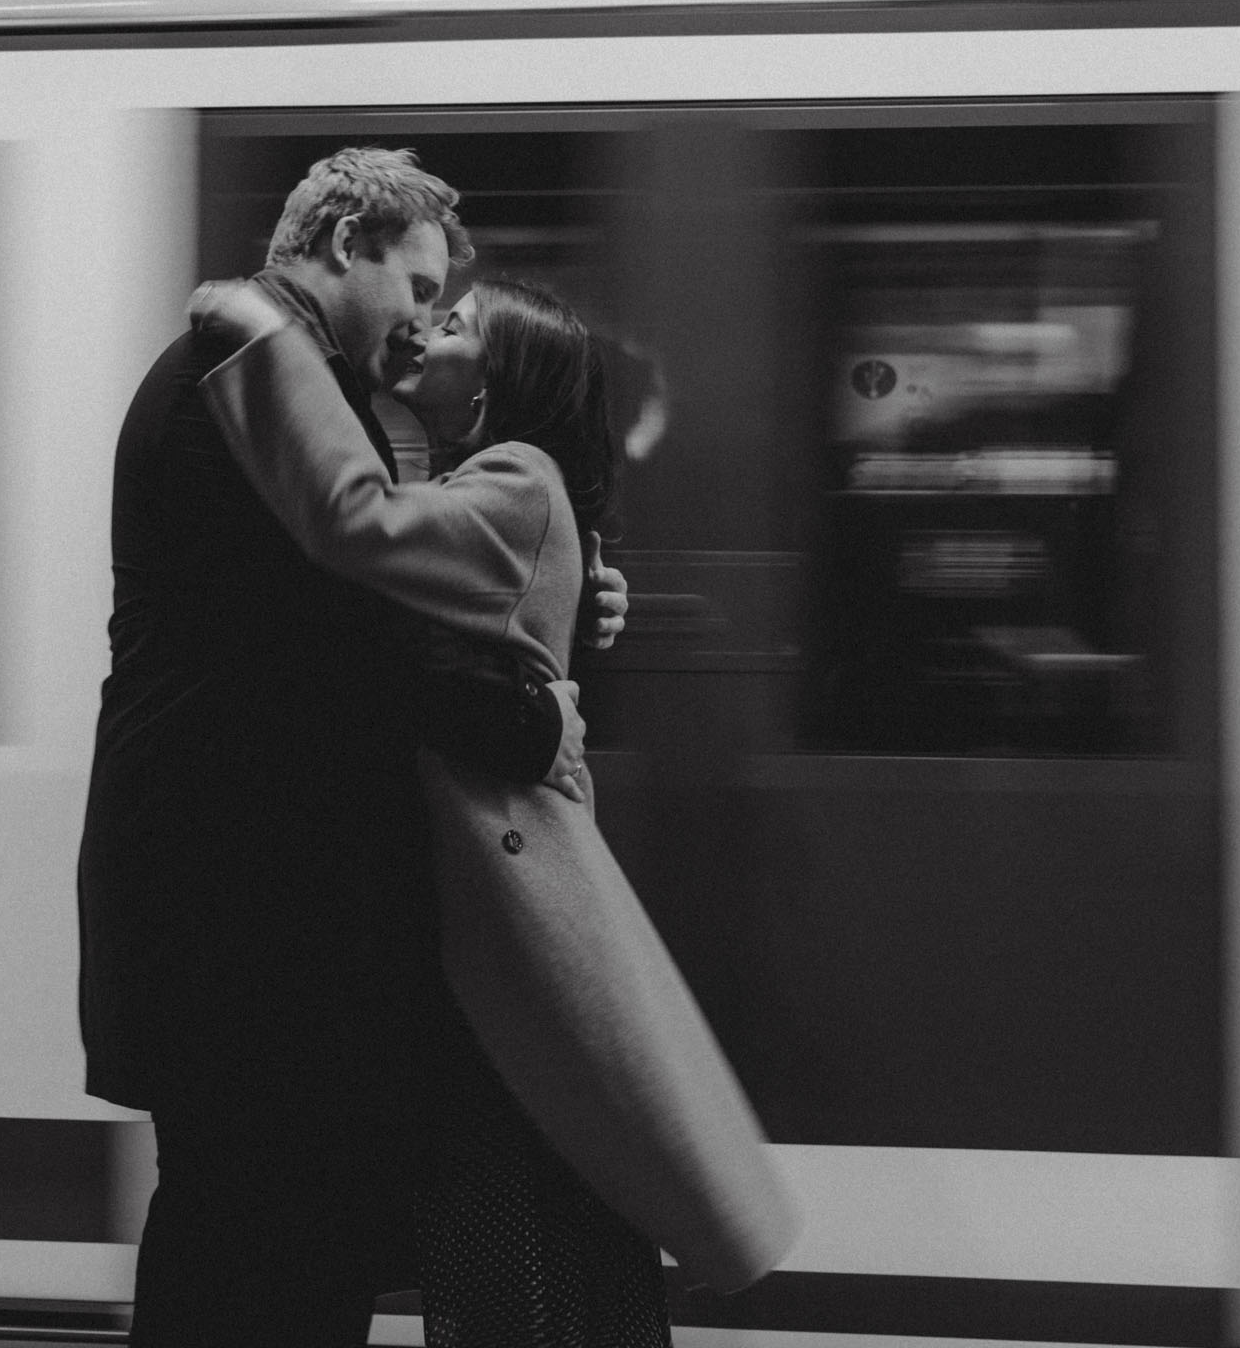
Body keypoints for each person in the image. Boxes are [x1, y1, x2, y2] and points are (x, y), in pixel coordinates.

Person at [77, 147, 627, 1348]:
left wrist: (563, 594)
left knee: (265, 1254)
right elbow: (356, 644)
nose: (426, 324)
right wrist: (534, 719)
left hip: (246, 924)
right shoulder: (254, 381)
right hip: (238, 929)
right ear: (345, 246)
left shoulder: (281, 382)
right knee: (255, 1262)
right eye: (420, 288)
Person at [193, 276, 799, 1345]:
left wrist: (262, 337)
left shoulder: (514, 477)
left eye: (457, 323)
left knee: (512, 1235)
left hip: (503, 926)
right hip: (491, 924)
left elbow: (350, 525)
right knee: (537, 1233)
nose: (430, 326)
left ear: (498, 385)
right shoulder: (492, 481)